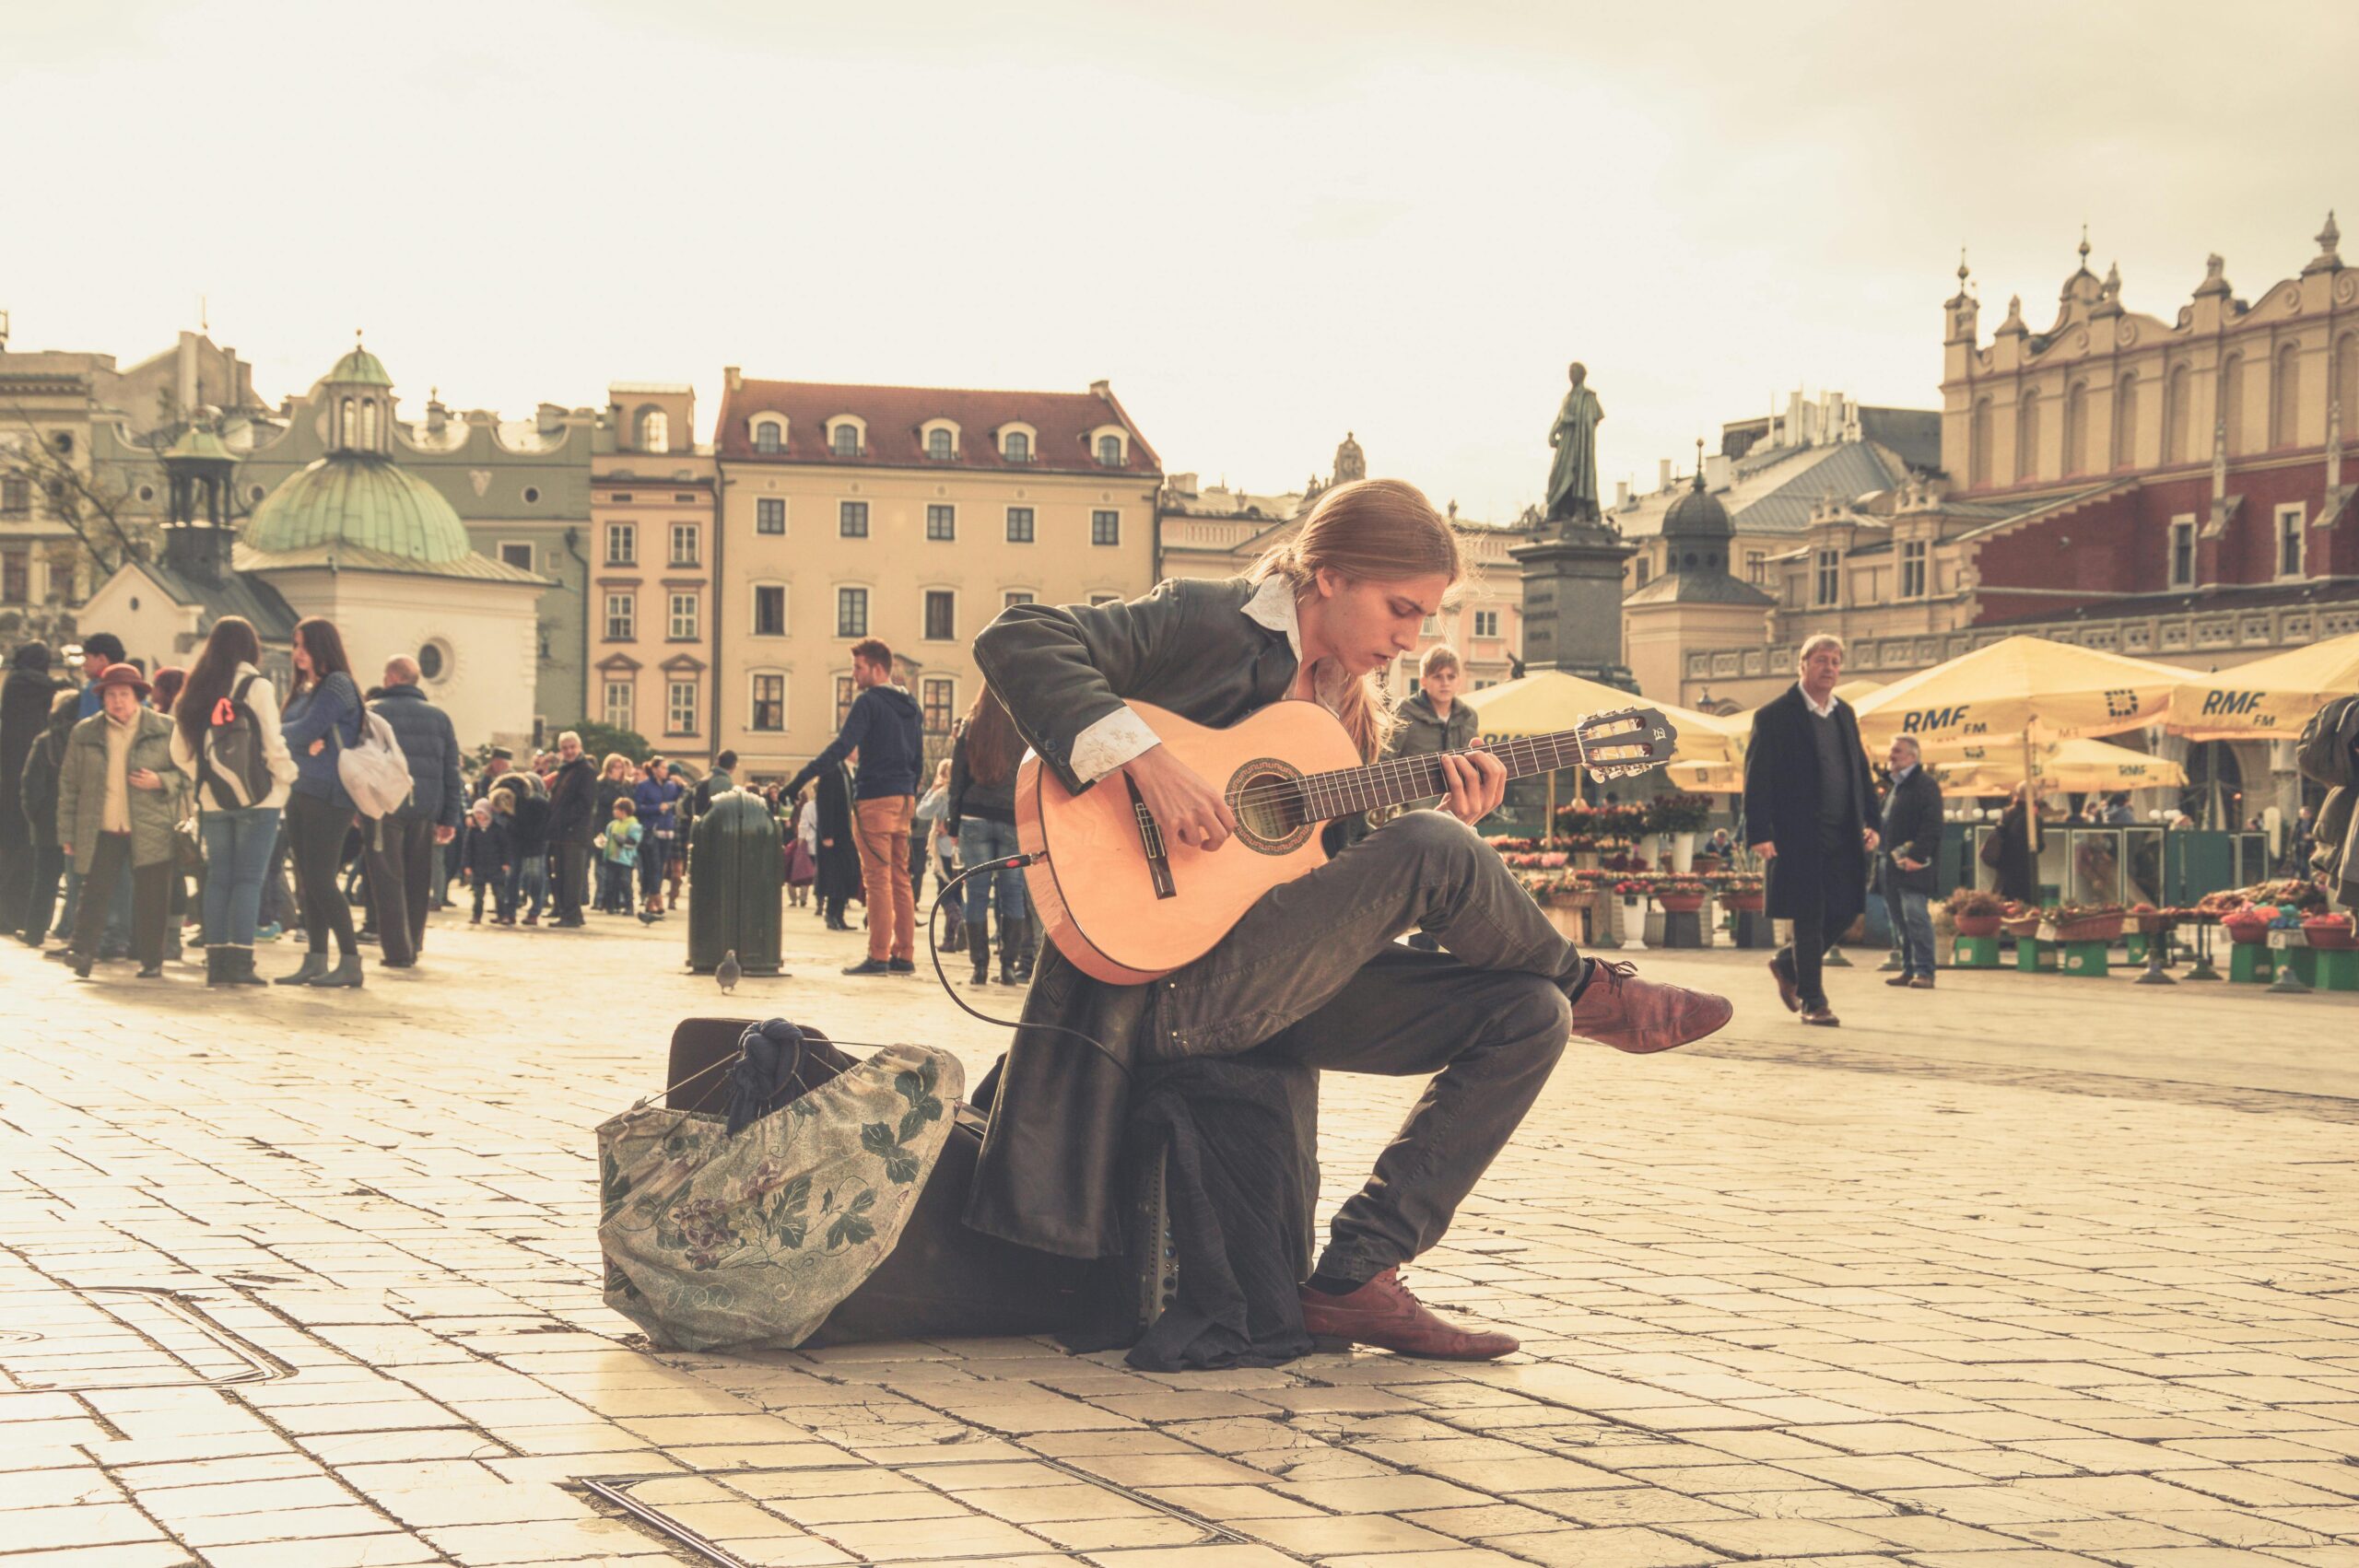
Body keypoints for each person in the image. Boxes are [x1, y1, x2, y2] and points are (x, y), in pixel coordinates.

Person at [970, 477, 1731, 1360]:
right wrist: (1150, 764)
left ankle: (1356, 1277)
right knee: (1429, 852)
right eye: (1400, 609)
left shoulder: (1347, 713)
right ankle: (1600, 990)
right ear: (1326, 577)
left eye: (1425, 619)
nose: (1411, 639)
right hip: (1162, 991)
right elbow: (1017, 638)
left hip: (1269, 987)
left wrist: (1450, 834)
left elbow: (1333, 887)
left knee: (1529, 1014)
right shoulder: (1207, 620)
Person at [1744, 633, 1878, 1027]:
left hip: (1844, 834)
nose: (1830, 668)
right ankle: (1813, 1001)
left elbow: (1861, 773)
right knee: (1809, 915)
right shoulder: (1774, 716)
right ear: (1802, 665)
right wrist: (1759, 831)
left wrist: (1873, 821)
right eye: (1821, 660)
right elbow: (1757, 779)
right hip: (1797, 836)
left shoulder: (1844, 714)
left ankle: (1787, 963)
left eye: (1836, 661)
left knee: (1846, 909)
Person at [783, 638, 923, 977]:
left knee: (877, 880)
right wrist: (909, 791)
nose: (853, 674)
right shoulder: (911, 705)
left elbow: (842, 746)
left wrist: (799, 779)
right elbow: (918, 758)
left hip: (875, 797)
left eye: (857, 668)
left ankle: (878, 956)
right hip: (904, 797)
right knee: (901, 878)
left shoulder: (868, 702)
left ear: (877, 669)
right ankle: (904, 953)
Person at [170, 615, 298, 987]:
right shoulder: (256, 685)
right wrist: (286, 777)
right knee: (248, 880)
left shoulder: (196, 688)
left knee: (219, 880)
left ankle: (216, 962)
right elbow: (273, 743)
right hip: (260, 799)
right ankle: (240, 962)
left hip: (213, 801)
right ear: (250, 646)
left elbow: (178, 751)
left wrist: (206, 776)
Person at [55, 662, 187, 978]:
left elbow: (186, 776)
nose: (117, 701)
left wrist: (160, 781)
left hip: (151, 825)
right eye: (110, 695)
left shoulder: (164, 728)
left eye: (124, 694)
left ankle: (151, 960)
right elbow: (69, 785)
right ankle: (81, 951)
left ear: (138, 696)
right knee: (94, 891)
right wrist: (67, 832)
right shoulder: (85, 732)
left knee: (153, 895)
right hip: (103, 825)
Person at [275, 616, 366, 988]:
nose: (297, 653)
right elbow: (295, 733)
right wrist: (296, 740)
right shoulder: (304, 690)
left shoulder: (338, 685)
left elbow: (304, 730)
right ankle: (315, 959)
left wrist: (283, 736)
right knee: (307, 881)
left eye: (303, 646)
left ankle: (351, 961)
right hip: (301, 789)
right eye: (295, 645)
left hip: (331, 794)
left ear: (320, 646)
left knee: (321, 879)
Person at [363, 655, 463, 967]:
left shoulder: (373, 714)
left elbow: (359, 763)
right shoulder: (439, 718)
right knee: (419, 877)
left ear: (391, 677)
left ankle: (397, 950)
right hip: (424, 806)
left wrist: (357, 806)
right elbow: (451, 771)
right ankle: (414, 942)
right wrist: (450, 817)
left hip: (384, 805)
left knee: (388, 877)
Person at [1383, 644, 1479, 949]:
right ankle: (1420, 957)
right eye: (1438, 676)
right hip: (1413, 817)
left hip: (1457, 814)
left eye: (1452, 676)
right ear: (1423, 680)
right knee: (1422, 890)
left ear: (1460, 680)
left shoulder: (1468, 716)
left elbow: (1471, 762)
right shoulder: (1404, 712)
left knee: (1452, 889)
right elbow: (1386, 762)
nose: (1445, 682)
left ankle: (1446, 958)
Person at [946, 687, 1027, 987]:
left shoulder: (972, 725)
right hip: (1011, 818)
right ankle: (1008, 967)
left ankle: (979, 967)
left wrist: (953, 826)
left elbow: (957, 779)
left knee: (977, 895)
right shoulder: (1022, 721)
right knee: (1012, 893)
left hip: (974, 816)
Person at [0, 641, 59, 932]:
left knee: (9, 848)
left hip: (8, 776)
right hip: (33, 777)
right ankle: (19, 915)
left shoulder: (12, 684)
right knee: (27, 849)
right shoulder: (38, 687)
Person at [1878, 735, 1943, 990]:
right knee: (1899, 921)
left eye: (1897, 751)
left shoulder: (1925, 785)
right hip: (1890, 863)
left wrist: (1917, 856)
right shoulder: (1895, 787)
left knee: (1916, 917)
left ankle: (1925, 971)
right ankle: (1908, 969)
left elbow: (1933, 826)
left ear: (1912, 757)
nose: (1891, 755)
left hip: (1914, 865)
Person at [17, 689, 78, 945]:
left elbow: (31, 785)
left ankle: (34, 932)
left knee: (45, 880)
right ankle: (73, 932)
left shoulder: (45, 741)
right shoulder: (87, 739)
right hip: (78, 821)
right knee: (78, 881)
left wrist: (35, 816)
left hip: (48, 822)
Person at [544, 731, 599, 929]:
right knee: (562, 874)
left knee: (572, 877)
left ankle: (572, 915)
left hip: (574, 833)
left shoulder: (585, 770)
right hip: (561, 832)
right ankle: (568, 913)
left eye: (572, 747)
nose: (569, 751)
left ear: (579, 748)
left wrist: (564, 822)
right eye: (565, 748)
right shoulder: (565, 769)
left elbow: (585, 804)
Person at [809, 756, 858, 930]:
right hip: (833, 836)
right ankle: (831, 915)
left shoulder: (847, 771)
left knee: (846, 875)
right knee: (834, 877)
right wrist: (827, 834)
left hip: (845, 835)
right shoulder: (831, 772)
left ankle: (839, 915)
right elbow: (824, 805)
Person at [913, 757, 958, 945]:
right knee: (957, 892)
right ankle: (956, 936)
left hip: (943, 849)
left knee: (945, 892)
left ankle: (953, 928)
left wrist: (931, 789)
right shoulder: (961, 792)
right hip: (960, 851)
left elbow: (922, 812)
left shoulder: (942, 794)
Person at [632, 756, 681, 917]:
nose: (666, 771)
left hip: (667, 830)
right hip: (651, 831)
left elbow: (679, 801)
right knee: (653, 866)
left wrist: (682, 786)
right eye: (663, 768)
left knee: (660, 867)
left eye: (667, 768)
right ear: (654, 769)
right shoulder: (644, 786)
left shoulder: (670, 786)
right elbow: (636, 808)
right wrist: (656, 808)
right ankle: (657, 899)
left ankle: (650, 902)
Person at [459, 797, 511, 924]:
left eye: (481, 813)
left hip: (496, 866)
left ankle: (502, 915)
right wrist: (467, 865)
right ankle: (476, 915)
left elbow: (505, 847)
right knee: (478, 895)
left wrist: (506, 862)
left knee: (499, 893)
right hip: (478, 867)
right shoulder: (473, 831)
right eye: (476, 813)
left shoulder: (497, 829)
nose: (479, 816)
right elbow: (467, 849)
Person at [1989, 783, 2038, 904]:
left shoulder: (2006, 813)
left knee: (2005, 902)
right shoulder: (2033, 818)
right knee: (2024, 904)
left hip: (2005, 866)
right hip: (2025, 868)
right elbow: (2039, 845)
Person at [598, 795, 642, 913]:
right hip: (611, 857)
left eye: (616, 809)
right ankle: (610, 906)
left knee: (625, 883)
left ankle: (629, 906)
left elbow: (633, 842)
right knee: (610, 882)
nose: (614, 812)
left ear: (623, 811)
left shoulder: (634, 825)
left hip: (625, 860)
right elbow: (608, 839)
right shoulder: (612, 825)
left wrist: (620, 839)